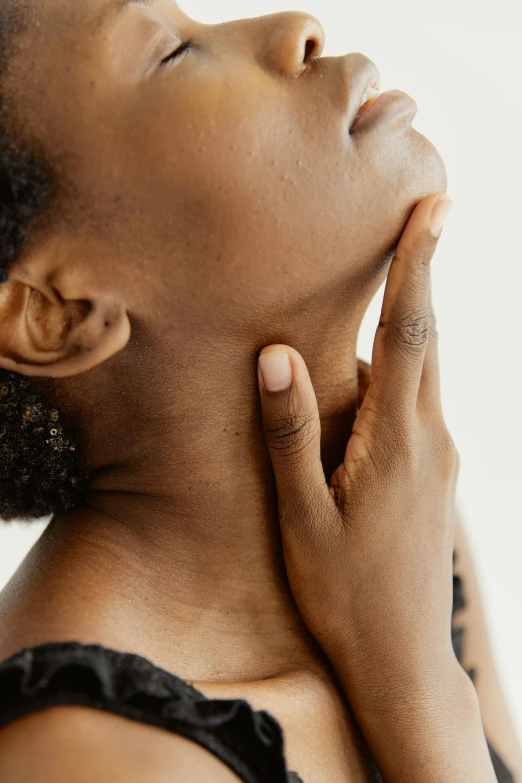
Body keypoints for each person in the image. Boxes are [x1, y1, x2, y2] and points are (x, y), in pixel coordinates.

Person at [0, 1, 519, 780]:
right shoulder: (92, 757)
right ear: (55, 314)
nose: (296, 27)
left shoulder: (395, 514)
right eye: (171, 55)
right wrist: (417, 689)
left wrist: (409, 656)